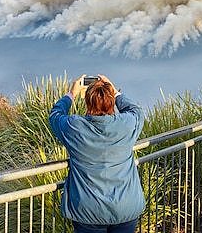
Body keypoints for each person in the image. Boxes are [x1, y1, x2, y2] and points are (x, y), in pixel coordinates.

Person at [49, 75, 145, 233]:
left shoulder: (74, 127)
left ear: (87, 102)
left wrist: (71, 94)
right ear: (112, 102)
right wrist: (114, 92)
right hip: (126, 207)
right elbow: (136, 111)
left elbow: (55, 115)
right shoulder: (127, 124)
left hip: (88, 209)